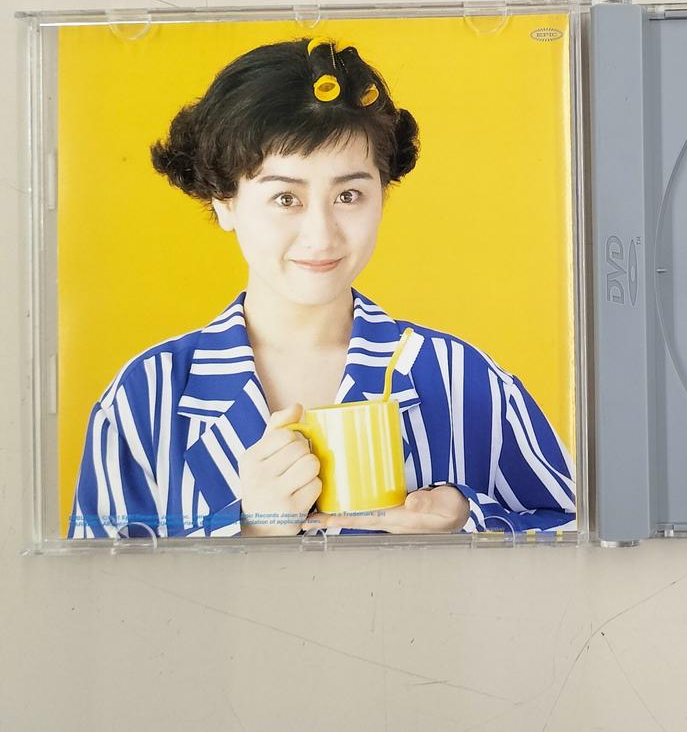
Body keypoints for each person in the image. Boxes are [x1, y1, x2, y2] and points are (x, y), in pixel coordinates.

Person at [66, 38, 576, 538]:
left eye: (349, 195)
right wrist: (248, 532)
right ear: (224, 202)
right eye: (286, 198)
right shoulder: (146, 397)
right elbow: (91, 588)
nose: (321, 234)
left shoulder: (462, 380)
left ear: (382, 196)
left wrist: (469, 521)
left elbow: (581, 536)